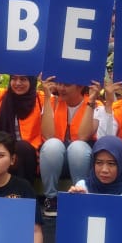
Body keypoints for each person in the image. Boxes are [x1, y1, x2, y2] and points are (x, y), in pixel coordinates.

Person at [38, 78, 96, 215]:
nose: (61, 88)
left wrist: (91, 102)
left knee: (78, 147)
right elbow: (47, 135)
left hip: (81, 160)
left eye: (67, 84)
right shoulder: (51, 102)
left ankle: (80, 195)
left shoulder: (95, 104)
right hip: (56, 160)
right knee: (52, 145)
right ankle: (51, 198)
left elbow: (83, 136)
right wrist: (47, 97)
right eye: (59, 84)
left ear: (80, 86)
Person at [0, 74, 45, 186]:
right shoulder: (1, 96)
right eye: (14, 79)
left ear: (32, 81)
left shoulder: (41, 99)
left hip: (31, 151)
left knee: (21, 147)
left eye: (23, 79)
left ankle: (23, 194)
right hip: (5, 146)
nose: (17, 83)